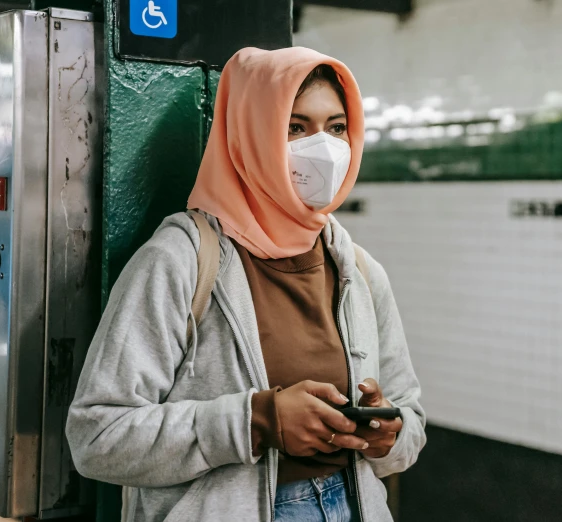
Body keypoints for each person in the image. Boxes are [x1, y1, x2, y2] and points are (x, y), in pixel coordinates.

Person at [66, 47, 426, 522]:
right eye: (296, 127)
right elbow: (97, 437)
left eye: (337, 128)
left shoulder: (358, 270)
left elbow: (411, 422)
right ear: (253, 134)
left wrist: (389, 435)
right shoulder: (179, 261)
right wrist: (257, 420)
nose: (325, 147)